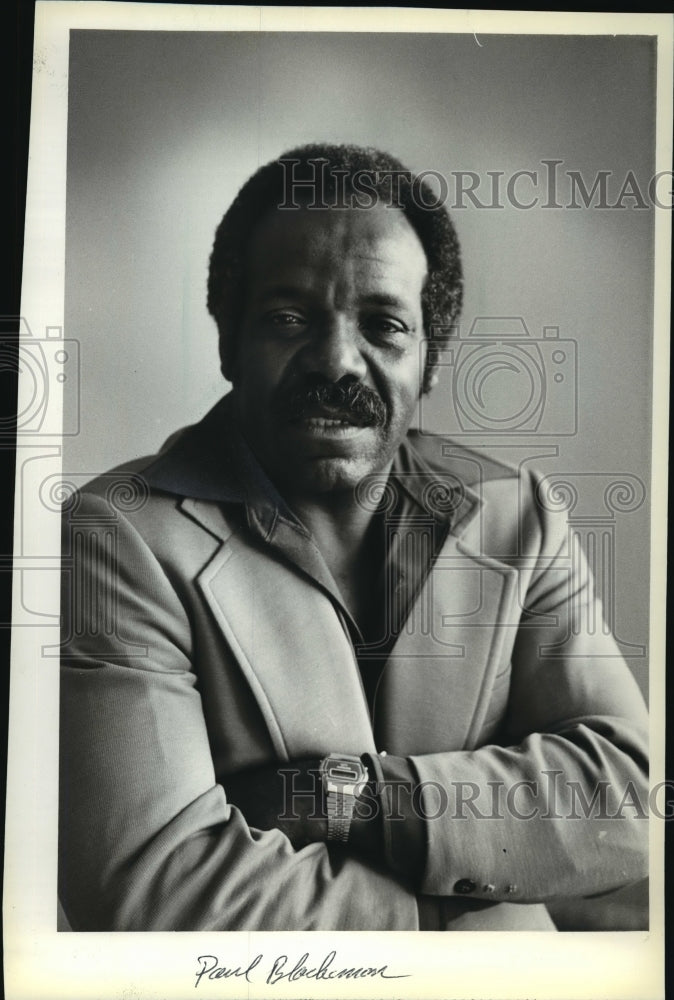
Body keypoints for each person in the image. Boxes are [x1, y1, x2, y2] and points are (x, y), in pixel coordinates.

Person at [59, 143, 648, 932]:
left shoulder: (521, 517)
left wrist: (349, 796)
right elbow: (155, 891)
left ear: (431, 359)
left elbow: (630, 800)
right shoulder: (116, 536)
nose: (337, 359)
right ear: (228, 340)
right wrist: (490, 927)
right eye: (288, 317)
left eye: (383, 324)